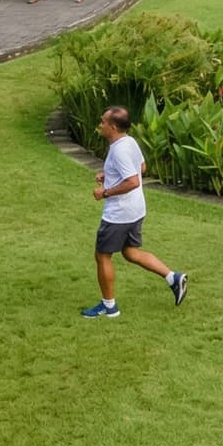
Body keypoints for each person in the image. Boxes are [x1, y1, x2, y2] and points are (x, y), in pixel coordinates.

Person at [81, 105, 189, 317]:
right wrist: (109, 174)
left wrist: (105, 192)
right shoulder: (129, 142)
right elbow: (141, 168)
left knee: (102, 256)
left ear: (113, 127)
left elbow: (132, 181)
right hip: (136, 209)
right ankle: (173, 278)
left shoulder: (119, 150)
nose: (100, 125)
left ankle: (109, 307)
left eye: (103, 122)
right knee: (131, 252)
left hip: (119, 214)